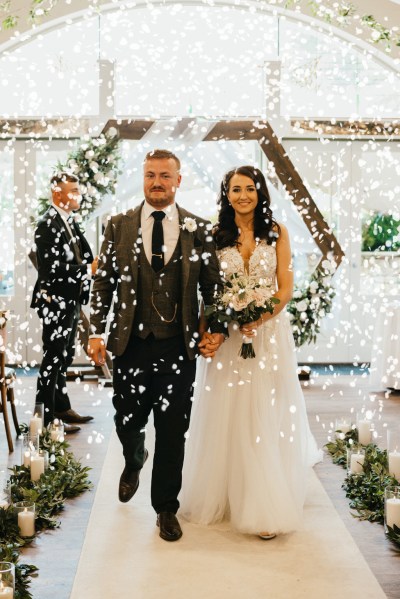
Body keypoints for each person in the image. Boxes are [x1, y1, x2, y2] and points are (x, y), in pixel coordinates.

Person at [88, 149, 226, 542]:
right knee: (127, 419)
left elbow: (212, 287)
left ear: (178, 181)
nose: (157, 182)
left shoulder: (198, 229)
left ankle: (165, 507)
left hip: (178, 347)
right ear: (142, 177)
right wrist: (96, 331)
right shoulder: (119, 225)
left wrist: (215, 327)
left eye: (165, 175)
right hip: (130, 343)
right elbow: (104, 283)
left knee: (171, 430)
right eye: (150, 175)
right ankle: (134, 457)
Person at [180, 165, 321, 538]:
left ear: (260, 192)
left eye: (249, 188)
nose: (243, 195)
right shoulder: (213, 235)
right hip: (227, 337)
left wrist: (258, 316)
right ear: (226, 194)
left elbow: (285, 287)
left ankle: (262, 501)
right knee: (227, 411)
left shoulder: (277, 233)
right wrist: (209, 332)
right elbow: (207, 292)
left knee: (263, 411)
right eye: (235, 189)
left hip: (267, 335)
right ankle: (224, 493)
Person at [31, 172, 96, 432]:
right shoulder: (47, 224)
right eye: (74, 191)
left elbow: (83, 252)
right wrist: (87, 270)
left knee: (65, 356)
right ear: (57, 193)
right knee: (52, 359)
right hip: (54, 301)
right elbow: (52, 269)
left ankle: (61, 407)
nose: (79, 195)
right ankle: (45, 422)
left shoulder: (68, 219)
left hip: (70, 299)